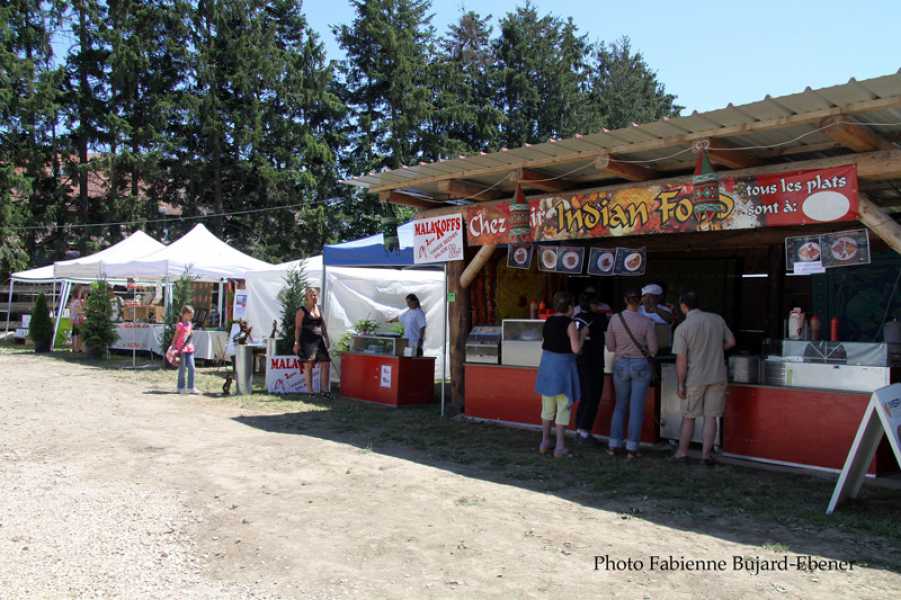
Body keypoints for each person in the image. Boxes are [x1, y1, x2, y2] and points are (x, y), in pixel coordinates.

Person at [672, 290, 736, 465]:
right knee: (711, 417)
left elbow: (681, 360)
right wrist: (715, 349)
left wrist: (680, 384)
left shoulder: (683, 328)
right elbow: (731, 342)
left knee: (689, 417)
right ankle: (706, 456)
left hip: (695, 378)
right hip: (718, 376)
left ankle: (682, 453)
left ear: (683, 306)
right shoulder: (717, 319)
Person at [606, 289, 658, 459]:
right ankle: (632, 448)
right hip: (640, 365)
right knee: (636, 408)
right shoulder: (647, 322)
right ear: (640, 301)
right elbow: (653, 350)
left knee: (620, 406)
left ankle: (614, 445)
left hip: (621, 364)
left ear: (625, 300)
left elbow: (610, 346)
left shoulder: (615, 319)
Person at [535, 291, 586, 458]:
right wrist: (582, 335)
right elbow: (576, 349)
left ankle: (544, 442)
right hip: (562, 368)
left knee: (547, 408)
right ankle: (560, 447)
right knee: (563, 407)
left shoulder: (548, 321)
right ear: (570, 308)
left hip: (547, 366)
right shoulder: (570, 324)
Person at [573, 291, 609, 445]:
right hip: (594, 363)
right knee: (593, 397)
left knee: (584, 397)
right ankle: (584, 431)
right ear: (590, 304)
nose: (598, 306)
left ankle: (579, 428)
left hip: (579, 362)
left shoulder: (576, 318)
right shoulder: (598, 319)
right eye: (596, 303)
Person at [293, 287, 331, 398]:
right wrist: (296, 342)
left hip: (319, 340)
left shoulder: (319, 308)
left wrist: (326, 338)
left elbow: (323, 325)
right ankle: (310, 392)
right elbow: (298, 328)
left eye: (315, 295)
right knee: (308, 365)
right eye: (311, 295)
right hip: (307, 341)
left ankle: (325, 391)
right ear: (306, 297)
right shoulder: (301, 310)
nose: (314, 297)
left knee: (326, 363)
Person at [172, 305, 199, 395]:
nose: (191, 317)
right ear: (184, 314)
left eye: (192, 315)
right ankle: (180, 387)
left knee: (192, 368)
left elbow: (189, 334)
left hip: (189, 349)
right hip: (181, 350)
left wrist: (191, 334)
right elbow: (176, 336)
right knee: (182, 369)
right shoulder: (180, 325)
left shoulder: (190, 324)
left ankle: (191, 387)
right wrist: (173, 346)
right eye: (190, 315)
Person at [68, 286, 86, 353]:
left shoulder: (72, 301)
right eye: (81, 292)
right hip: (77, 320)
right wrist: (85, 313)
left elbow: (71, 311)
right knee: (79, 334)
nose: (81, 293)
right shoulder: (77, 302)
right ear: (78, 293)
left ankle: (74, 348)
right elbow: (79, 312)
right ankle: (78, 348)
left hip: (73, 319)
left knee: (74, 333)